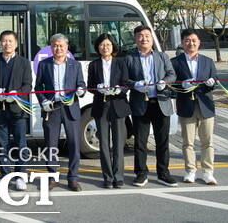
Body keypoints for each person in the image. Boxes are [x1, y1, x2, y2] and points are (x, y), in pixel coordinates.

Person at [125, 25, 177, 187]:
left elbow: (172, 74)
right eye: (140, 36)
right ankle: (141, 173)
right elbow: (124, 79)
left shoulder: (162, 56)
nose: (144, 39)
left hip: (161, 102)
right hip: (140, 104)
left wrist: (164, 82)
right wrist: (135, 84)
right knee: (140, 142)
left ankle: (163, 173)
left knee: (163, 141)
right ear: (135, 39)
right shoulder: (129, 58)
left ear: (152, 38)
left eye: (147, 35)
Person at [35, 34, 86, 192]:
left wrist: (81, 90)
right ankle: (52, 177)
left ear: (67, 47)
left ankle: (73, 178)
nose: (58, 48)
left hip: (71, 108)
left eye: (61, 45)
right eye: (55, 45)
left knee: (74, 144)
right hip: (52, 109)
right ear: (51, 47)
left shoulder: (75, 65)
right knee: (51, 145)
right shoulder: (44, 65)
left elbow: (81, 84)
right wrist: (43, 101)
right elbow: (38, 87)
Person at [0, 30, 33, 191]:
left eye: (10, 41)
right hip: (0, 110)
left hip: (18, 110)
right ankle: (4, 175)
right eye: (4, 41)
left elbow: (28, 85)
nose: (7, 44)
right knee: (2, 144)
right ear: (0, 43)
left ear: (16, 43)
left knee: (21, 144)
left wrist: (17, 94)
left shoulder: (24, 62)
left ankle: (20, 176)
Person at [171, 29, 218, 185]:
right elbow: (171, 84)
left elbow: (215, 80)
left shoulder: (208, 61)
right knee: (188, 142)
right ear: (182, 43)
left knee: (207, 141)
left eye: (193, 40)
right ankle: (190, 171)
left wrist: (212, 83)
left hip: (206, 105)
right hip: (186, 105)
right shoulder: (175, 62)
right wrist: (182, 85)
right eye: (187, 40)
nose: (190, 43)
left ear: (199, 42)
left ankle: (208, 172)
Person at [87, 33, 130, 189]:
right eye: (102, 45)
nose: (105, 47)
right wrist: (98, 88)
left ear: (113, 47)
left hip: (117, 105)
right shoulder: (93, 65)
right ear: (98, 47)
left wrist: (120, 89)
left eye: (108, 45)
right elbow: (90, 86)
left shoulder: (120, 63)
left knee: (118, 142)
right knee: (104, 143)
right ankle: (107, 177)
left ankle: (118, 176)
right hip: (101, 105)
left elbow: (126, 84)